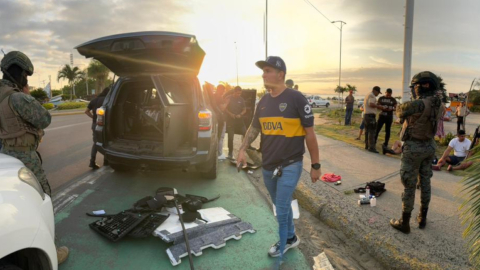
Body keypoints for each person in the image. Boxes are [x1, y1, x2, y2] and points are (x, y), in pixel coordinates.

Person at [237, 56, 320, 262]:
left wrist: (316, 165)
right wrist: (242, 149)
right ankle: (291, 237)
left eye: (267, 70)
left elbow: (310, 134)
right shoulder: (263, 101)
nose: (263, 74)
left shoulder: (296, 98)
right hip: (268, 165)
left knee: (282, 205)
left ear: (280, 74)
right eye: (263, 71)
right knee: (279, 204)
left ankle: (282, 246)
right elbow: (255, 128)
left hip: (291, 163)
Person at [0, 51, 69, 263]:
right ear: (19, 73)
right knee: (42, 198)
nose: (26, 80)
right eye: (25, 77)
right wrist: (27, 94)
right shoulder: (17, 98)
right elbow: (44, 118)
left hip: (5, 155)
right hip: (24, 157)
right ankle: (51, 252)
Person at [390, 71, 443, 234]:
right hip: (429, 146)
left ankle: (404, 223)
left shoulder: (419, 104)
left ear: (425, 85)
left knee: (409, 185)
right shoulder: (439, 104)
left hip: (414, 148)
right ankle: (422, 217)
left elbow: (399, 111)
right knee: (425, 183)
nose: (414, 89)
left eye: (415, 86)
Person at [85, 87, 110, 169]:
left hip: (95, 124)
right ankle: (106, 161)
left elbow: (86, 111)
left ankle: (92, 161)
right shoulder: (107, 100)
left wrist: (93, 117)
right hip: (105, 125)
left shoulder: (94, 100)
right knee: (107, 142)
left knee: (96, 143)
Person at [225, 86, 246, 159]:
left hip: (239, 120)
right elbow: (225, 108)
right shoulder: (229, 98)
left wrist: (240, 114)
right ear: (234, 92)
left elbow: (244, 110)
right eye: (237, 93)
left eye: (240, 93)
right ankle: (230, 153)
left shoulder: (241, 99)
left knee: (245, 133)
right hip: (230, 120)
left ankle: (246, 149)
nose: (239, 95)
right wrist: (231, 114)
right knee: (230, 137)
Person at [363, 86, 382, 153]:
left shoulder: (368, 95)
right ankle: (371, 147)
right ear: (375, 91)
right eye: (378, 92)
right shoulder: (372, 95)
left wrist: (376, 104)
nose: (378, 94)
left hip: (366, 115)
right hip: (370, 116)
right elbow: (371, 104)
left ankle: (367, 145)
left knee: (367, 131)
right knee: (372, 131)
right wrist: (378, 106)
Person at [213, 84, 228, 160]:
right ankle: (219, 154)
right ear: (220, 89)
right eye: (223, 90)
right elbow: (222, 108)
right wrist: (227, 102)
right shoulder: (218, 97)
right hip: (221, 120)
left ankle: (217, 153)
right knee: (221, 137)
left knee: (217, 136)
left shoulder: (214, 96)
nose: (223, 92)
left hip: (217, 119)